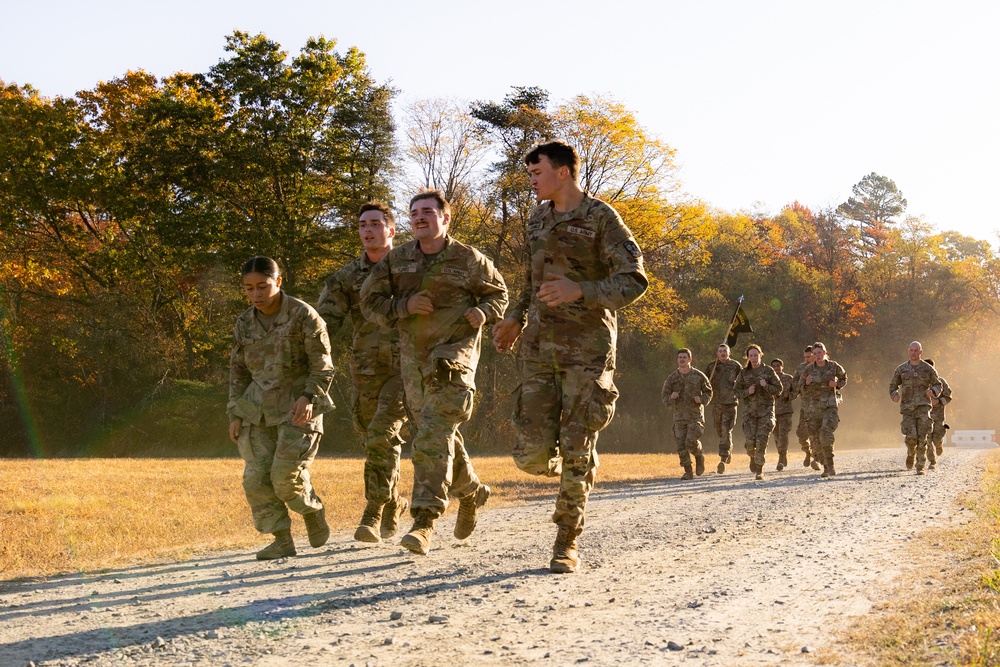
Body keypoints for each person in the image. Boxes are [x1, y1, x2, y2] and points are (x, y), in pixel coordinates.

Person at [492, 140, 647, 574]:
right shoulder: (538, 219)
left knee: (578, 445)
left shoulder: (602, 218)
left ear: (563, 172)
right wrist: (514, 317)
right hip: (539, 349)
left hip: (588, 352)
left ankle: (566, 541)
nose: (532, 181)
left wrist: (583, 290)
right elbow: (530, 278)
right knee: (530, 455)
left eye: (536, 173)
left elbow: (634, 281)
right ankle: (576, 459)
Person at [361, 189, 507, 555]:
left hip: (454, 361)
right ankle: (472, 493)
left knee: (431, 436)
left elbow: (499, 295)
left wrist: (484, 313)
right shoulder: (396, 261)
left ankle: (424, 521)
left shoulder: (469, 259)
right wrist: (403, 305)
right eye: (414, 213)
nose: (420, 217)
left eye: (427, 212)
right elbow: (369, 301)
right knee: (436, 436)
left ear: (446, 218)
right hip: (413, 366)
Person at [228, 256, 335, 560]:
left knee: (285, 479)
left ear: (278, 281)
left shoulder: (304, 315)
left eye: (262, 286)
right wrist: (234, 412)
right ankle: (281, 539)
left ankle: (312, 511)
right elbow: (238, 371)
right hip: (256, 410)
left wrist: (309, 397)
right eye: (249, 288)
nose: (256, 294)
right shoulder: (244, 323)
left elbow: (323, 367)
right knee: (256, 480)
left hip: (297, 407)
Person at [317, 202, 409, 544]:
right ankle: (394, 502)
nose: (367, 230)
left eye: (374, 224)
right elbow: (324, 324)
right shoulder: (345, 277)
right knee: (376, 440)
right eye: (361, 225)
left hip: (407, 368)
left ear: (391, 230)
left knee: (383, 434)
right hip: (367, 368)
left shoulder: (410, 269)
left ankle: (372, 510)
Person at [888, 341, 941, 475]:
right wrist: (894, 394)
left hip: (923, 407)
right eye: (911, 350)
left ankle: (920, 466)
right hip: (907, 408)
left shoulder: (928, 369)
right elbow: (892, 385)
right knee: (911, 438)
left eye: (916, 350)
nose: (914, 353)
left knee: (922, 438)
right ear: (908, 351)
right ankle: (911, 454)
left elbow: (938, 384)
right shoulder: (901, 369)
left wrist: (933, 392)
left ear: (921, 352)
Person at [662, 348, 713, 480]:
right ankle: (688, 471)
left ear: (690, 359)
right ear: (677, 360)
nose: (682, 360)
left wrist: (701, 399)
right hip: (679, 417)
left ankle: (698, 455)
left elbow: (709, 392)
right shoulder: (672, 378)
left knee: (690, 441)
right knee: (680, 445)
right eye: (680, 358)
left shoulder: (699, 376)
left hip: (695, 416)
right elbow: (664, 398)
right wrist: (670, 397)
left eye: (685, 357)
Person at [734, 344, 782, 480]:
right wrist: (746, 392)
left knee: (761, 441)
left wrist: (766, 385)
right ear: (747, 357)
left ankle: (759, 470)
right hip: (750, 413)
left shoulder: (768, 371)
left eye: (756, 355)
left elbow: (779, 389)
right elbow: (736, 391)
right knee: (750, 443)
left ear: (761, 355)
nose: (754, 358)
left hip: (766, 412)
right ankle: (752, 456)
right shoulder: (743, 373)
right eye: (751, 356)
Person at [801, 342, 847, 478]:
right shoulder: (808, 369)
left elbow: (844, 377)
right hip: (814, 409)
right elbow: (801, 388)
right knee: (815, 440)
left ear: (825, 353)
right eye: (815, 354)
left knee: (825, 434)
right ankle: (825, 466)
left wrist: (837, 384)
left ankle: (831, 466)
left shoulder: (833, 366)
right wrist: (806, 383)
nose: (817, 356)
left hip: (830, 406)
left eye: (820, 353)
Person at [704, 344, 743, 474]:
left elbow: (743, 380)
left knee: (726, 429)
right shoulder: (712, 366)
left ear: (729, 352)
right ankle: (728, 448)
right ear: (717, 353)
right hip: (716, 403)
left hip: (730, 402)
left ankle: (723, 457)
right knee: (720, 430)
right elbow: (704, 382)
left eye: (725, 351)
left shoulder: (736, 366)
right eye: (720, 351)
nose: (722, 353)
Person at [791, 346, 822, 470]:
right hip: (805, 406)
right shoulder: (801, 368)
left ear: (814, 355)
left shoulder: (822, 367)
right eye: (804, 357)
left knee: (816, 433)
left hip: (819, 405)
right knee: (802, 434)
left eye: (808, 357)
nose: (806, 359)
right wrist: (803, 382)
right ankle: (807, 451)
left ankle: (817, 458)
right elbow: (795, 384)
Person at [924, 359, 952, 468]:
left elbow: (948, 397)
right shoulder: (921, 383)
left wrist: (939, 401)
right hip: (925, 416)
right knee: (927, 439)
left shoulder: (941, 382)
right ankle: (932, 461)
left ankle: (939, 444)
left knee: (936, 438)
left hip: (938, 416)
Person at [770, 358, 796, 471]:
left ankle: (781, 457)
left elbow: (796, 392)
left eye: (778, 366)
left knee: (783, 435)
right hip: (772, 412)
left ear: (782, 366)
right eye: (774, 366)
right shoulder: (769, 379)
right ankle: (782, 455)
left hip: (786, 411)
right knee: (776, 436)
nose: (776, 368)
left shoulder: (789, 378)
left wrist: (788, 395)